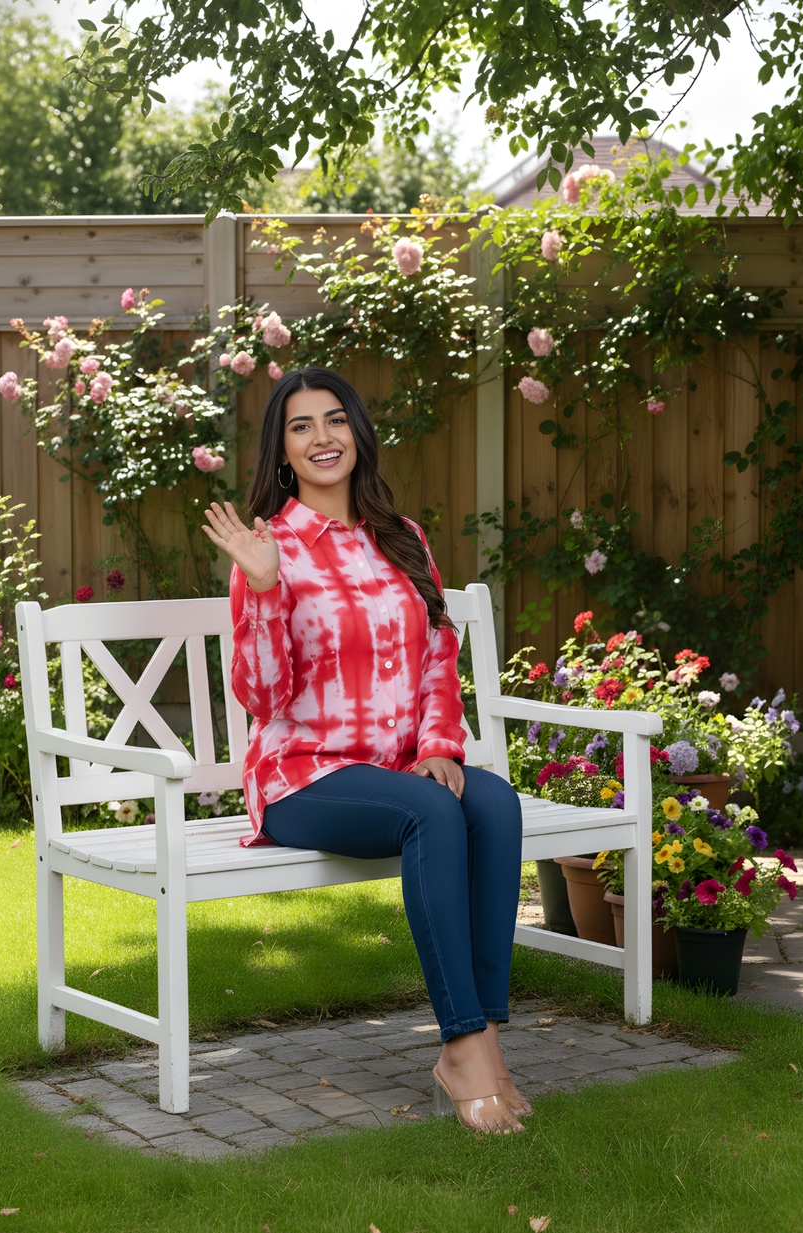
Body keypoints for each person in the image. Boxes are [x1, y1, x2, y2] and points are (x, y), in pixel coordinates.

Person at [201, 367, 527, 1136]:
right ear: (282, 451)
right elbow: (263, 696)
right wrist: (265, 588)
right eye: (302, 425)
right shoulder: (267, 546)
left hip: (393, 770)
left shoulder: (401, 537)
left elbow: (437, 655)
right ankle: (464, 1049)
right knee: (429, 812)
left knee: (493, 801)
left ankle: (485, 1041)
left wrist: (441, 743)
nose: (323, 437)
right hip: (301, 776)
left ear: (357, 434)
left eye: (335, 420)